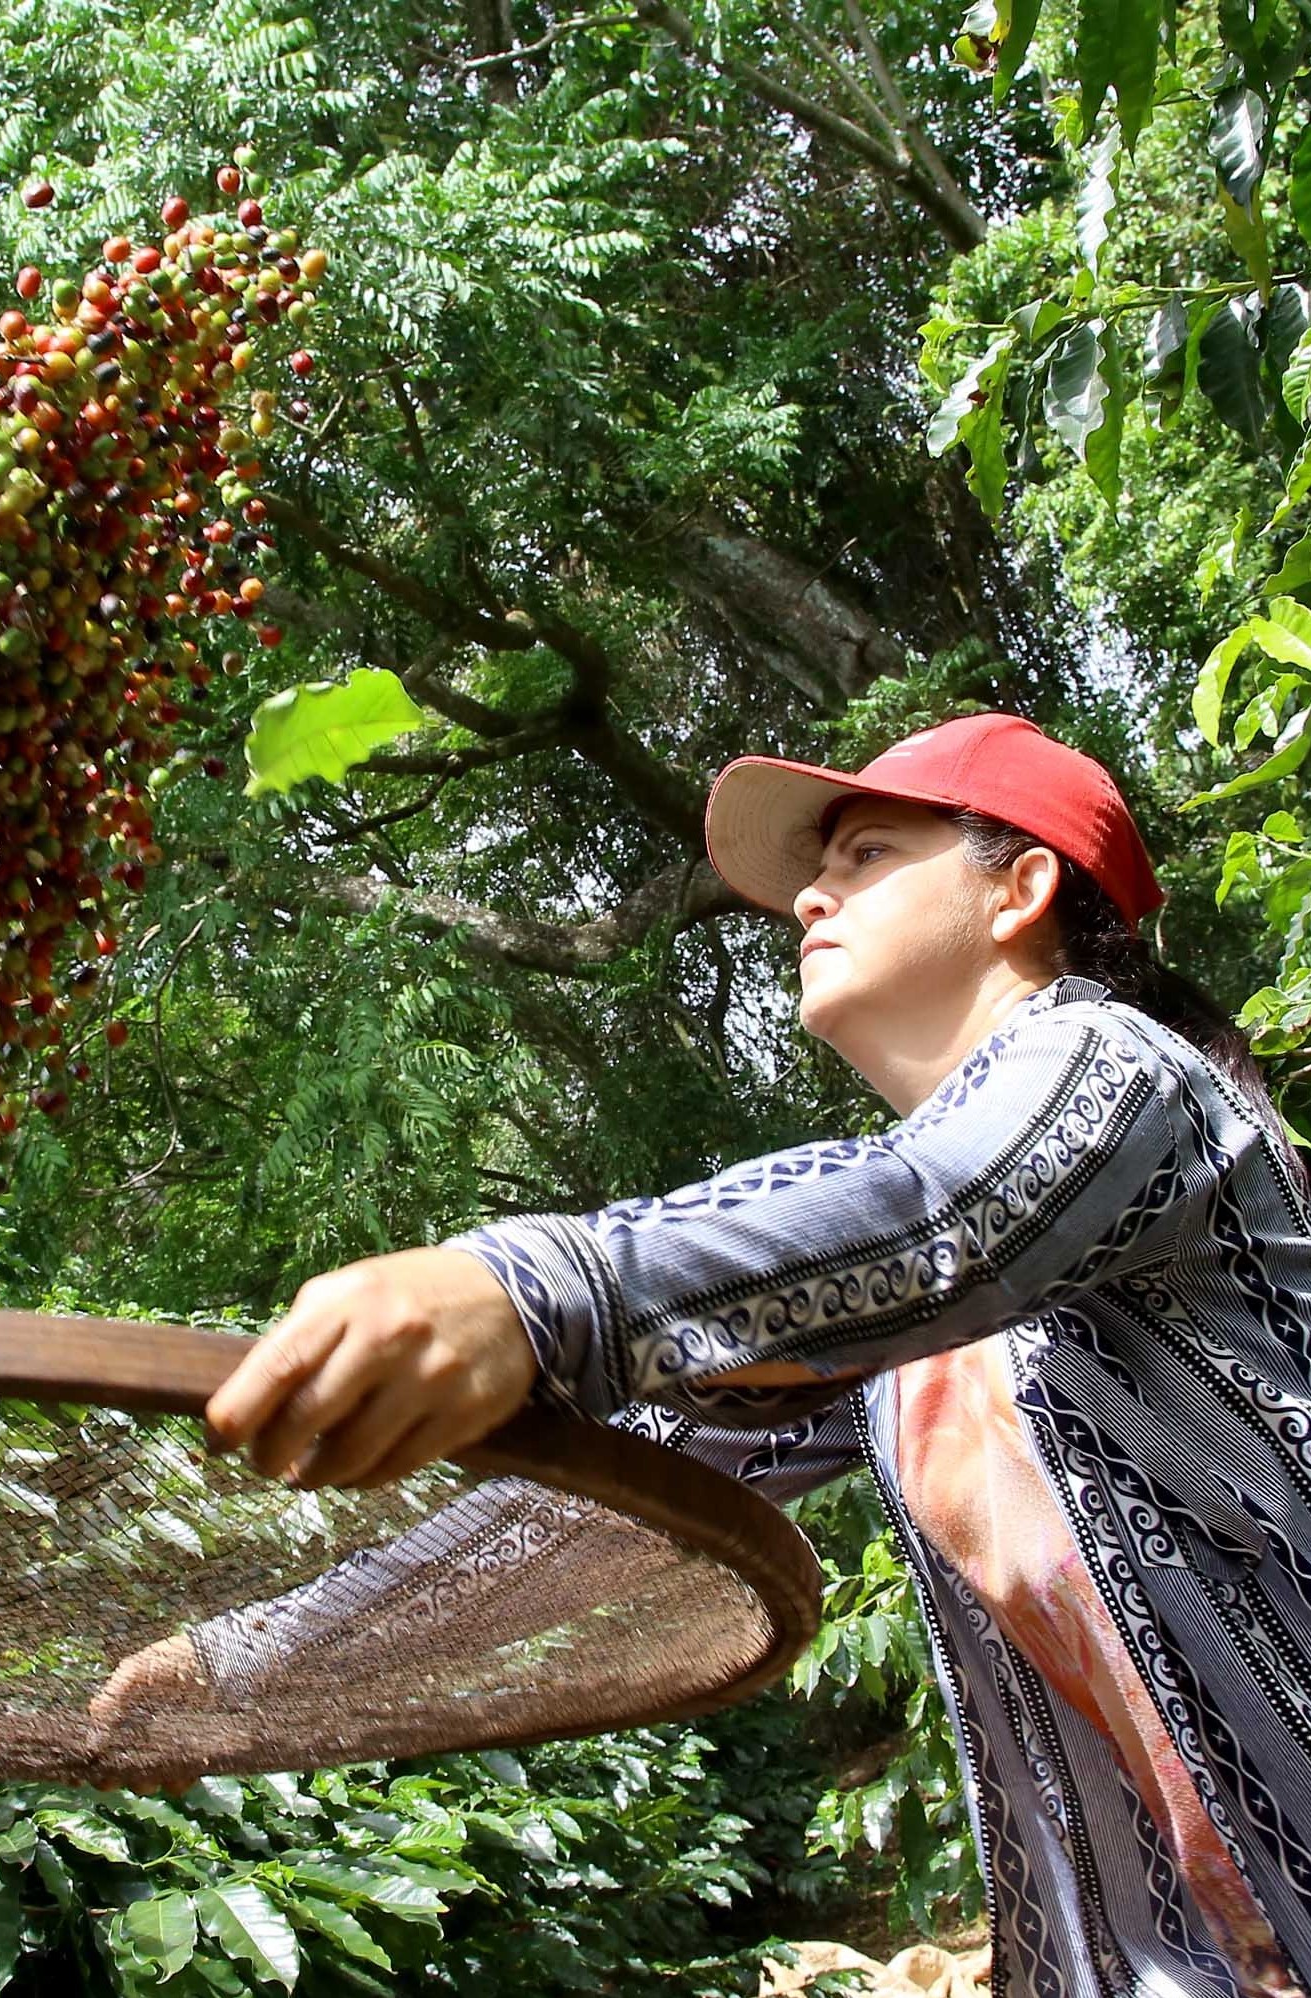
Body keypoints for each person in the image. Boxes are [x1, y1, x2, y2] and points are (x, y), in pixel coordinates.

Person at [98, 713, 1311, 1998]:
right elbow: (610, 1515)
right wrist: (249, 1666)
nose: (807, 891)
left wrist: (523, 1289)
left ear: (1018, 889)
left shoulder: (1125, 1073)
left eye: (865, 852)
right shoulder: (895, 1337)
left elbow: (940, 1213)